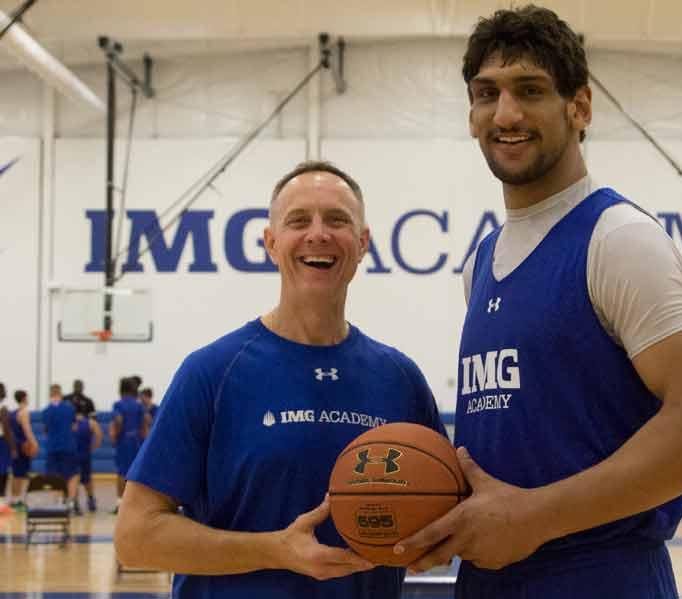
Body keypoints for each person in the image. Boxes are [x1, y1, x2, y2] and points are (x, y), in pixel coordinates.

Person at [395, 6, 682, 598]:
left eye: (529, 91)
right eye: (487, 94)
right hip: (490, 580)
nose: (505, 114)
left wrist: (531, 517)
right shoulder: (479, 262)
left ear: (579, 107)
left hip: (601, 577)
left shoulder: (617, 238)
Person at [115, 160, 446, 599]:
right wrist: (275, 550)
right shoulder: (212, 372)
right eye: (298, 221)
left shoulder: (400, 378)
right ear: (271, 243)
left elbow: (442, 520)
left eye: (337, 220)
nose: (318, 234)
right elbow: (135, 537)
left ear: (363, 243)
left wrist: (427, 542)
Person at [109, 376, 150, 512]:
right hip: (137, 441)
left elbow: (119, 420)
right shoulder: (139, 405)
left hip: (124, 441)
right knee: (136, 472)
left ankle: (120, 502)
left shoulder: (118, 404)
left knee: (122, 471)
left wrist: (115, 434)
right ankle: (136, 502)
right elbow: (145, 422)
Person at [42, 384, 81, 513]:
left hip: (52, 447)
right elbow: (74, 427)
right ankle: (70, 502)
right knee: (72, 475)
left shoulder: (46, 411)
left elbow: (46, 430)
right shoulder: (70, 409)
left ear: (50, 395)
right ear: (61, 394)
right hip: (68, 445)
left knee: (54, 477)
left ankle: (58, 503)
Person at [9, 389, 38, 511]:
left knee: (16, 474)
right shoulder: (24, 412)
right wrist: (34, 443)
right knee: (20, 475)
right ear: (25, 398)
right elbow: (27, 430)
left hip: (14, 445)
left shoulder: (13, 412)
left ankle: (14, 500)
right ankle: (18, 501)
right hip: (23, 446)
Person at [73, 399, 103, 512]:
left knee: (73, 478)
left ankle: (75, 503)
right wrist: (94, 446)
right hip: (85, 454)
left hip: (73, 455)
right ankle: (91, 501)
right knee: (87, 479)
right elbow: (99, 435)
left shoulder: (72, 424)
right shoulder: (91, 422)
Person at [0, 382, 15, 510]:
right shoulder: (3, 409)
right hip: (2, 441)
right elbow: (6, 430)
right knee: (3, 471)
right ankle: (1, 502)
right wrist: (13, 447)